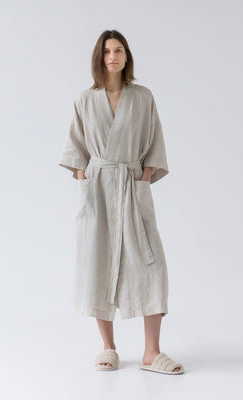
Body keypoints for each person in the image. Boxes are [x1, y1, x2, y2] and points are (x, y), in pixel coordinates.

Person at [58, 30, 184, 374]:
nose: (112, 56)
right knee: (97, 261)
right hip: (98, 188)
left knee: (151, 265)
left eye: (118, 50)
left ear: (127, 56)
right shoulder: (85, 99)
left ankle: (151, 353)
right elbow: (76, 145)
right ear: (99, 58)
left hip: (131, 184)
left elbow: (155, 142)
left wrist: (143, 178)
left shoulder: (142, 97)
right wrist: (84, 180)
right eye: (106, 51)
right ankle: (108, 347)